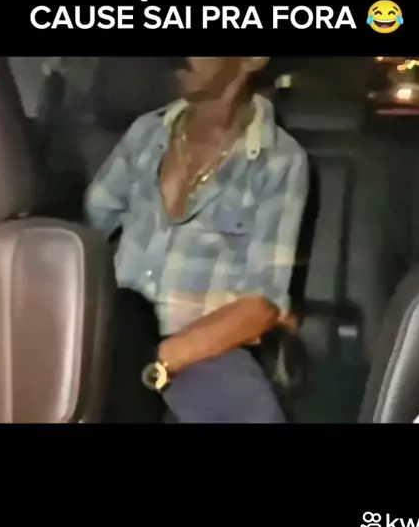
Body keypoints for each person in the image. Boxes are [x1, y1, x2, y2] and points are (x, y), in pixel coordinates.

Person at [85, 57, 309, 423]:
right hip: (115, 330)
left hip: (205, 348)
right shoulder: (146, 133)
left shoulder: (281, 162)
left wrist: (158, 363)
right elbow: (82, 234)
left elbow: (261, 304)